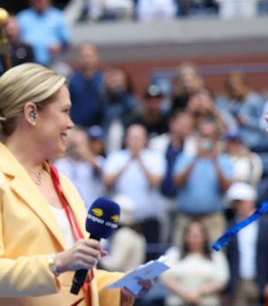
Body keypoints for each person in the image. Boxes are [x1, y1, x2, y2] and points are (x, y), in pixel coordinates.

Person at [0, 63, 140, 306]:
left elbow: (69, 281)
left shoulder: (64, 183)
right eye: (65, 111)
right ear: (31, 113)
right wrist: (57, 262)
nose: (71, 123)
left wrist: (114, 288)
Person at [171, 118, 233, 246]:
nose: (206, 139)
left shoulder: (224, 160)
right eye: (203, 135)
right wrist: (195, 159)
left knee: (216, 257)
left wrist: (215, 161)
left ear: (216, 139)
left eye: (210, 136)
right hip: (186, 218)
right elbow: (177, 182)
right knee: (178, 258)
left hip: (213, 219)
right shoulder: (186, 158)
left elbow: (226, 187)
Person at [102, 124, 165, 244]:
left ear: (145, 140)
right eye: (132, 138)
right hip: (121, 220)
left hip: (148, 219)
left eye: (138, 138)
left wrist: (140, 160)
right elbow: (107, 181)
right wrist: (127, 162)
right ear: (126, 139)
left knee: (150, 256)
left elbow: (156, 182)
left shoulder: (155, 157)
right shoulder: (116, 157)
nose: (135, 142)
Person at [160, 220, 229, 306]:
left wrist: (199, 293)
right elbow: (165, 277)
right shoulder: (173, 253)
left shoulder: (216, 255)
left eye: (197, 236)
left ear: (205, 236)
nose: (194, 239)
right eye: (191, 236)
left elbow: (222, 280)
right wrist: (185, 293)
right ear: (185, 236)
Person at [223, 182, 265, 306]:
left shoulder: (265, 225)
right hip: (238, 283)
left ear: (251, 201)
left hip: (261, 281)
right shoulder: (229, 227)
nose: (238, 206)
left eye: (241, 201)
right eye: (235, 203)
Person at [16, 0, 69, 66]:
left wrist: (59, 48)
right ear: (31, 0)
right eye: (36, 0)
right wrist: (23, 45)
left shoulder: (58, 16)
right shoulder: (22, 17)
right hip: (27, 63)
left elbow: (66, 44)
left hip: (52, 63)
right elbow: (14, 41)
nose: (39, 2)